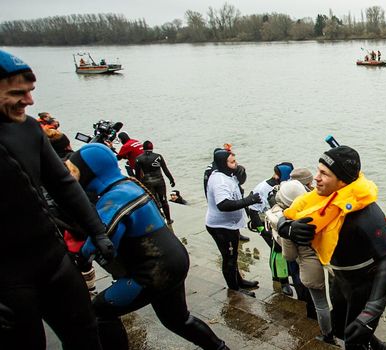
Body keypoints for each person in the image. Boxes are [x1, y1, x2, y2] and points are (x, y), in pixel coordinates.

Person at [0, 49, 114, 349]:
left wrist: (97, 230)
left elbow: (64, 184)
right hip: (7, 279)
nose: (30, 101)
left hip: (53, 258)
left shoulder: (27, 129)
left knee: (86, 334)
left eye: (30, 91)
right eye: (17, 93)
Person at [69, 143, 228, 350]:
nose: (70, 178)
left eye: (73, 172)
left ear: (91, 171)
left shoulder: (114, 199)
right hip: (173, 260)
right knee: (177, 320)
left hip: (154, 271)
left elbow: (100, 246)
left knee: (99, 312)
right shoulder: (128, 185)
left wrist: (77, 252)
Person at [279, 145, 386, 349]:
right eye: (318, 171)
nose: (316, 178)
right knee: (341, 329)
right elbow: (279, 215)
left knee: (353, 341)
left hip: (363, 283)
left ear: (341, 180)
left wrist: (372, 310)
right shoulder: (318, 200)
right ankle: (381, 347)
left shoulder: (367, 214)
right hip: (339, 279)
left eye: (324, 173)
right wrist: (287, 228)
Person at [265, 179, 332, 343]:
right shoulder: (321, 208)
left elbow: (289, 256)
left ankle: (327, 336)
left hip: (311, 269)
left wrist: (282, 232)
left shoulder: (289, 224)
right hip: (333, 263)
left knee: (321, 305)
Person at [205, 148, 262, 297]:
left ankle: (239, 281)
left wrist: (240, 171)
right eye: (232, 162)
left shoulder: (227, 173)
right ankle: (235, 289)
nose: (235, 164)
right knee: (229, 258)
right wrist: (249, 200)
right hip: (221, 227)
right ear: (223, 163)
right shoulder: (219, 180)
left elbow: (240, 181)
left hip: (230, 225)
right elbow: (223, 204)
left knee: (233, 255)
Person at [249, 162, 294, 296]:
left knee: (279, 249)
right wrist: (262, 229)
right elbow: (253, 210)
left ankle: (277, 276)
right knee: (278, 250)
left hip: (281, 220)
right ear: (277, 175)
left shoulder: (286, 185)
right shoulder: (262, 188)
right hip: (266, 222)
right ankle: (283, 281)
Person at [134, 141, 176, 222]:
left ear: (143, 148)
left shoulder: (138, 159)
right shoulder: (158, 157)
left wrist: (138, 185)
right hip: (159, 181)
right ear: (152, 147)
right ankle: (168, 219)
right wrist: (171, 179)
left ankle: (160, 217)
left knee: (153, 201)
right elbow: (165, 170)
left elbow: (137, 175)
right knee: (164, 200)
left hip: (147, 182)